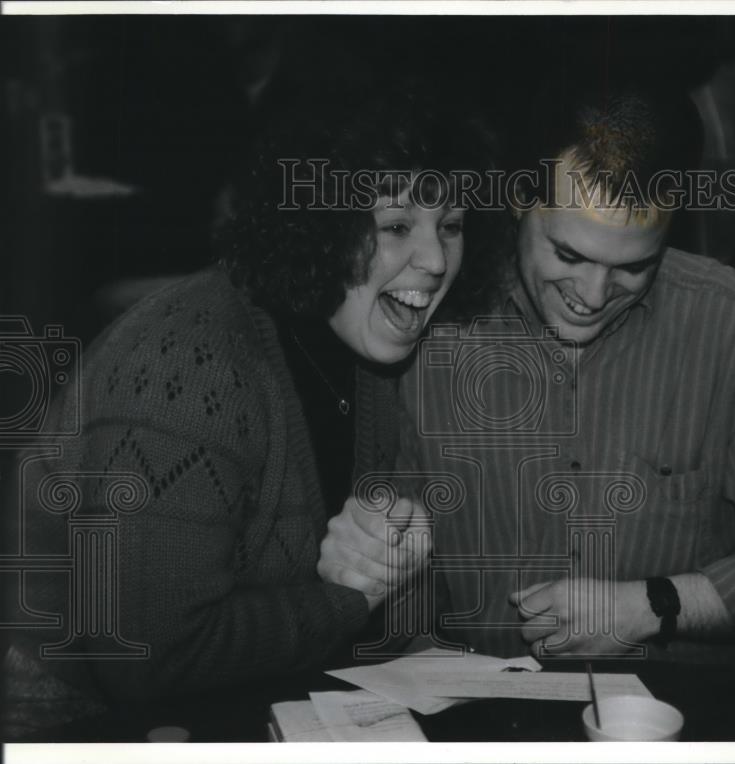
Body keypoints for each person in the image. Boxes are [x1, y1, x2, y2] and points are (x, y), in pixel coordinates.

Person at [2, 85, 500, 737]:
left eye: (452, 225)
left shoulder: (362, 345)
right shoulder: (185, 361)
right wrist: (354, 595)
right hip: (66, 722)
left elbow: (390, 614)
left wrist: (394, 562)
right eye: (397, 225)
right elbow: (147, 662)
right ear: (317, 226)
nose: (436, 261)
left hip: (250, 705)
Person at [396, 86, 735, 662]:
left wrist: (653, 607)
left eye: (634, 266)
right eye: (569, 255)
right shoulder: (430, 319)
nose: (592, 295)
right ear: (518, 201)